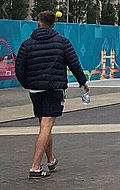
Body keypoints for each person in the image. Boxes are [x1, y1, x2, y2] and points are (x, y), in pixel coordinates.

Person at [14, 10, 89, 179]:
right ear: (53, 24)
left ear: (39, 22)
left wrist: (28, 84)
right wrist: (83, 82)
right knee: (47, 125)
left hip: (35, 90)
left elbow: (19, 69)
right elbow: (74, 64)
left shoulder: (27, 44)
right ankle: (35, 166)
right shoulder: (63, 42)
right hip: (54, 89)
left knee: (44, 125)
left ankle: (51, 159)